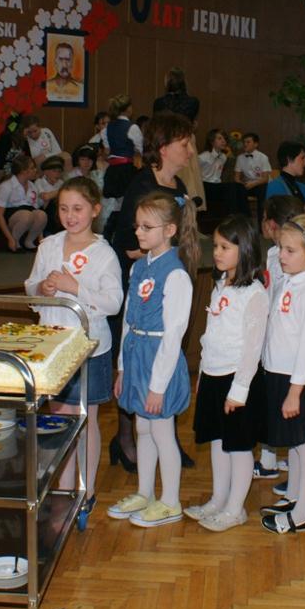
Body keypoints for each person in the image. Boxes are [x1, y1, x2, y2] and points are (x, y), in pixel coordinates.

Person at [24, 176, 124, 520]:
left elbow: (113, 302)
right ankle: (63, 486)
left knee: (86, 417)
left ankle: (87, 488)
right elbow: (31, 289)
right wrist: (44, 287)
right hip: (52, 343)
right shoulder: (48, 245)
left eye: (78, 208)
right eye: (64, 208)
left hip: (88, 348)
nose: (70, 215)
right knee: (59, 416)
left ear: (95, 210)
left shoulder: (104, 253)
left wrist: (74, 286)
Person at [109, 111, 196, 470]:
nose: (190, 150)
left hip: (170, 281)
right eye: (185, 143)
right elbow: (128, 243)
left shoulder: (181, 189)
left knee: (165, 360)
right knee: (136, 362)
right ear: (163, 147)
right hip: (142, 288)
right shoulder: (142, 186)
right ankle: (125, 437)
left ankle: (166, 435)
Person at [107, 191, 199, 527]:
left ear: (170, 230)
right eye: (137, 226)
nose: (139, 233)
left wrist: (158, 386)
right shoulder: (137, 267)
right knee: (142, 429)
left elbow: (174, 334)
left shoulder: (176, 274)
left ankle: (170, 501)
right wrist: (121, 368)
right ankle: (145, 492)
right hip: (136, 357)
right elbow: (129, 320)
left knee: (162, 432)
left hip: (160, 359)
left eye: (147, 227)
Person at [187, 215, 268, 532]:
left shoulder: (255, 294)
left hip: (238, 380)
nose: (216, 252)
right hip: (213, 375)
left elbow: (252, 348)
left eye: (224, 246)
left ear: (244, 249)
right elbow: (211, 333)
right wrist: (203, 376)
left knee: (239, 445)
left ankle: (236, 508)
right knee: (218, 442)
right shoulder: (221, 285)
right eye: (216, 246)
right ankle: (219, 500)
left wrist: (239, 390)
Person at [258, 214, 305, 535]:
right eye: (280, 249)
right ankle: (293, 496)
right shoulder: (291, 281)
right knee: (294, 444)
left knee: (303, 446)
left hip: (297, 381)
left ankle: (301, 513)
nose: (281, 256)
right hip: (279, 374)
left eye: (290, 251)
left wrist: (294, 391)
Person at [253, 194, 305, 481]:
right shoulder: (273, 255)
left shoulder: (296, 260)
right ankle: (269, 459)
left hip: (291, 344)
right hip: (271, 340)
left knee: (288, 404)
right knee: (271, 401)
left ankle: (290, 467)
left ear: (271, 224)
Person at [152, 67, 204, 211]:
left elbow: (157, 126)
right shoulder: (193, 102)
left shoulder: (159, 103)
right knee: (189, 181)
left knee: (167, 178)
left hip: (167, 143)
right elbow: (192, 124)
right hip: (185, 142)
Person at [100, 94, 145, 236]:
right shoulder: (133, 128)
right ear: (128, 109)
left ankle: (110, 232)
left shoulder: (107, 128)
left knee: (118, 204)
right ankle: (117, 232)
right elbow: (139, 150)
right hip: (126, 170)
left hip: (113, 169)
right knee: (127, 204)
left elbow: (107, 150)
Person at [0, 153, 46, 252]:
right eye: (32, 168)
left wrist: (40, 237)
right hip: (11, 216)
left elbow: (35, 208)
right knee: (27, 215)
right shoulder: (6, 186)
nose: (35, 170)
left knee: (41, 214)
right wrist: (9, 239)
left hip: (27, 213)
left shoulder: (32, 186)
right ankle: (15, 242)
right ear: (24, 171)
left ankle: (29, 241)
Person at [199, 128, 248, 216]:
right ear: (212, 141)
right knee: (231, 187)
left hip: (217, 185)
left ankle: (244, 216)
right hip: (205, 185)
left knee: (240, 187)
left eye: (224, 139)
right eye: (219, 138)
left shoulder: (223, 157)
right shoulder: (202, 157)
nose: (223, 141)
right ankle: (231, 215)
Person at [233, 132, 272, 224]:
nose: (245, 144)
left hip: (261, 184)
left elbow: (265, 178)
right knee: (238, 189)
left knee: (262, 190)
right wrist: (243, 184)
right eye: (244, 142)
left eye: (248, 142)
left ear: (256, 144)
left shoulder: (263, 157)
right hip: (248, 184)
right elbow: (236, 178)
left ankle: (261, 224)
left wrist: (253, 184)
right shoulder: (240, 158)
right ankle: (246, 220)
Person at [0, 113, 28, 189]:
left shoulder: (24, 142)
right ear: (19, 130)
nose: (28, 131)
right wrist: (1, 186)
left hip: (13, 171)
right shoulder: (5, 141)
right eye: (26, 128)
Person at [35, 155, 66, 234]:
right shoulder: (39, 182)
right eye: (54, 171)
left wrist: (52, 195)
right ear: (46, 171)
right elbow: (45, 197)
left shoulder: (61, 183)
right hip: (43, 212)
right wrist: (60, 192)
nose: (57, 174)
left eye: (59, 171)